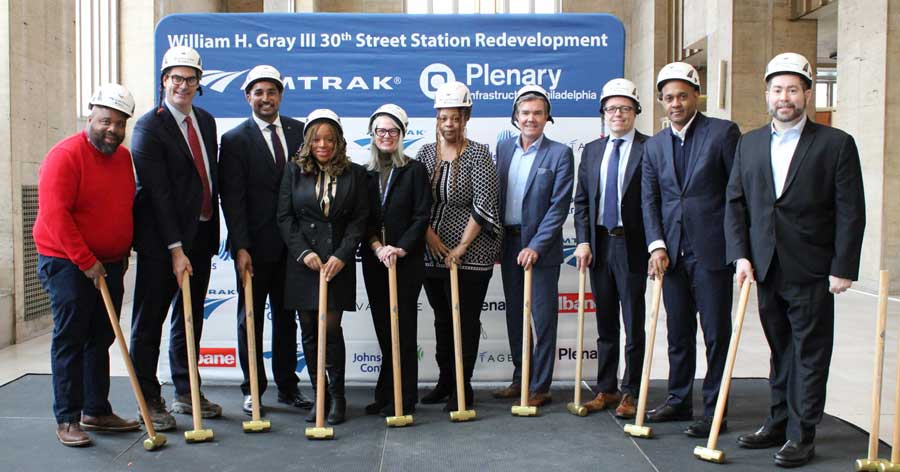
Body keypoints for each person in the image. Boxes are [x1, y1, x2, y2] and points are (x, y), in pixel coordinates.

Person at [725, 52, 865, 468]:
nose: (784, 97)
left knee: (810, 351)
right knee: (779, 348)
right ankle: (777, 420)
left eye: (792, 89)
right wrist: (740, 256)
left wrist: (843, 265)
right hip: (765, 266)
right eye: (776, 90)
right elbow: (736, 204)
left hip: (813, 267)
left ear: (807, 93)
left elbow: (850, 210)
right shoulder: (749, 144)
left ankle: (801, 434)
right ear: (766, 95)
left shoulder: (835, 144)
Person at [34, 84, 140, 446]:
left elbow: (123, 206)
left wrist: (120, 254)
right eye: (106, 121)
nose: (112, 129)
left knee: (101, 336)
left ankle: (96, 410)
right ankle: (67, 418)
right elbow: (55, 216)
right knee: (71, 338)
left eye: (120, 123)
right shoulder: (65, 155)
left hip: (109, 264)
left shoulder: (123, 158)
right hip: (66, 262)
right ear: (90, 115)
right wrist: (85, 261)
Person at [641, 61, 741, 437]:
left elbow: (737, 193)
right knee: (678, 332)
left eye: (682, 95)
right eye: (668, 98)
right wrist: (656, 245)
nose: (676, 103)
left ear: (696, 95)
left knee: (716, 334)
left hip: (712, 251)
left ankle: (716, 411)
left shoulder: (722, 133)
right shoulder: (654, 146)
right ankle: (679, 399)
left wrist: (737, 248)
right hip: (671, 254)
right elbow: (650, 201)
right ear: (661, 102)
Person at [129, 45, 221, 431]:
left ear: (199, 84)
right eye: (176, 78)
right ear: (164, 80)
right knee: (149, 321)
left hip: (200, 234)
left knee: (190, 319)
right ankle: (148, 399)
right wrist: (175, 249)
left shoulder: (206, 120)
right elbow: (158, 195)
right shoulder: (150, 126)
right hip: (161, 243)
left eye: (191, 79)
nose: (183, 85)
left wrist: (195, 241)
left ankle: (186, 390)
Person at [219, 65, 311, 416]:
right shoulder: (234, 139)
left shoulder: (299, 131)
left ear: (280, 95)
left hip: (293, 248)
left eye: (272, 92)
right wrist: (241, 246)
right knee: (251, 320)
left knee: (287, 320)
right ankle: (252, 388)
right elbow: (232, 198)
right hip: (254, 249)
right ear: (248, 97)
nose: (266, 98)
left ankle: (288, 387)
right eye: (259, 92)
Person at [276, 109, 369, 425]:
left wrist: (342, 255)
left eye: (330, 138)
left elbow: (359, 221)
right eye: (317, 138)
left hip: (336, 264)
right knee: (309, 333)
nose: (323, 144)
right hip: (304, 265)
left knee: (330, 331)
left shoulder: (354, 173)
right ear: (307, 141)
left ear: (339, 141)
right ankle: (320, 396)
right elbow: (285, 217)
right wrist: (303, 253)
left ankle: (338, 398)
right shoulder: (293, 170)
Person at [417, 81, 502, 411]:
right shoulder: (426, 153)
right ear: (437, 118)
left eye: (456, 118)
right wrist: (432, 238)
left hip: (471, 254)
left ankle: (462, 387)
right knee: (441, 319)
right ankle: (444, 381)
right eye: (444, 118)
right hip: (433, 251)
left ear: (466, 117)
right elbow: (418, 202)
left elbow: (483, 204)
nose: (449, 124)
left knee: (465, 320)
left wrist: (462, 246)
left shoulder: (478, 154)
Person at [492, 85, 574, 407]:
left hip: (540, 250)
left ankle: (540, 386)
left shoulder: (559, 154)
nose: (531, 119)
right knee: (515, 316)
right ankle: (520, 377)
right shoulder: (503, 149)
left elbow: (558, 207)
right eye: (525, 113)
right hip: (509, 245)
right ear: (515, 116)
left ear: (547, 117)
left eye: (538, 113)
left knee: (542, 317)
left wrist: (536, 245)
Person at [572, 78, 649, 418]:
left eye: (624, 108)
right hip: (600, 245)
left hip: (632, 247)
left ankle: (631, 391)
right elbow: (582, 201)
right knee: (605, 324)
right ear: (603, 113)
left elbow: (653, 202)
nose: (617, 114)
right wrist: (584, 241)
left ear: (635, 112)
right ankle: (606, 388)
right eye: (611, 109)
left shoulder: (651, 148)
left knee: (633, 323)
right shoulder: (592, 150)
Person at [360, 104, 431, 417]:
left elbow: (421, 216)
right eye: (380, 131)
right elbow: (362, 218)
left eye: (392, 131)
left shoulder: (414, 170)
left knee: (402, 329)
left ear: (402, 134)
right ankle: (386, 393)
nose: (386, 136)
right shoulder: (364, 174)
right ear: (373, 136)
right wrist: (377, 246)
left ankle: (406, 395)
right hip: (376, 261)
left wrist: (400, 248)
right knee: (383, 329)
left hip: (406, 261)